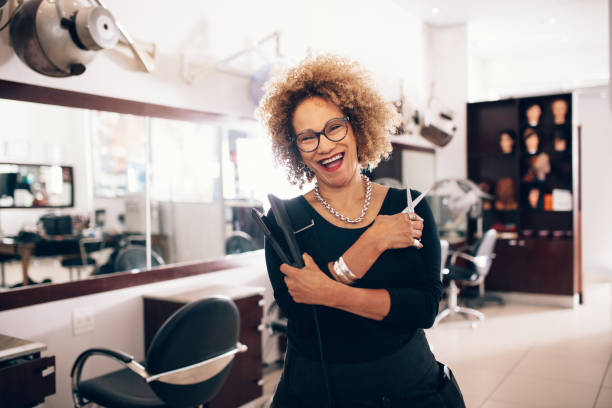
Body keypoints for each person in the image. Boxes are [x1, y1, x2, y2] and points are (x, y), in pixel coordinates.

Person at [257, 54, 464, 408]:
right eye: (307, 137)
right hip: (316, 390)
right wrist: (374, 239)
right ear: (295, 148)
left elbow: (424, 308)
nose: (324, 145)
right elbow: (307, 318)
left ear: (357, 125)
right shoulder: (283, 222)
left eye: (334, 127)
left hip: (407, 386)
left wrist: (327, 290)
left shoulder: (409, 206)